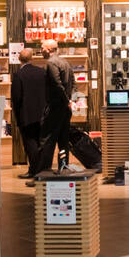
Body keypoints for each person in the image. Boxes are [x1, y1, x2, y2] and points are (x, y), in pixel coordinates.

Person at [11, 48, 48, 181]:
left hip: (26, 115)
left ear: (19, 59)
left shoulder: (19, 75)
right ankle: (42, 169)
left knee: (30, 143)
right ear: (32, 58)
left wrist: (17, 115)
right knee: (40, 142)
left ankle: (34, 170)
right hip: (43, 114)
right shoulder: (42, 72)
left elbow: (16, 97)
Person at [38, 39, 74, 174]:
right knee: (63, 140)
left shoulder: (51, 63)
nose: (41, 50)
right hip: (64, 108)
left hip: (55, 107)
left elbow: (57, 85)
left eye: (42, 48)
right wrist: (71, 100)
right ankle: (63, 168)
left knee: (47, 140)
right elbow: (73, 82)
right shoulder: (65, 62)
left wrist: (65, 100)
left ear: (48, 49)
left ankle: (43, 172)